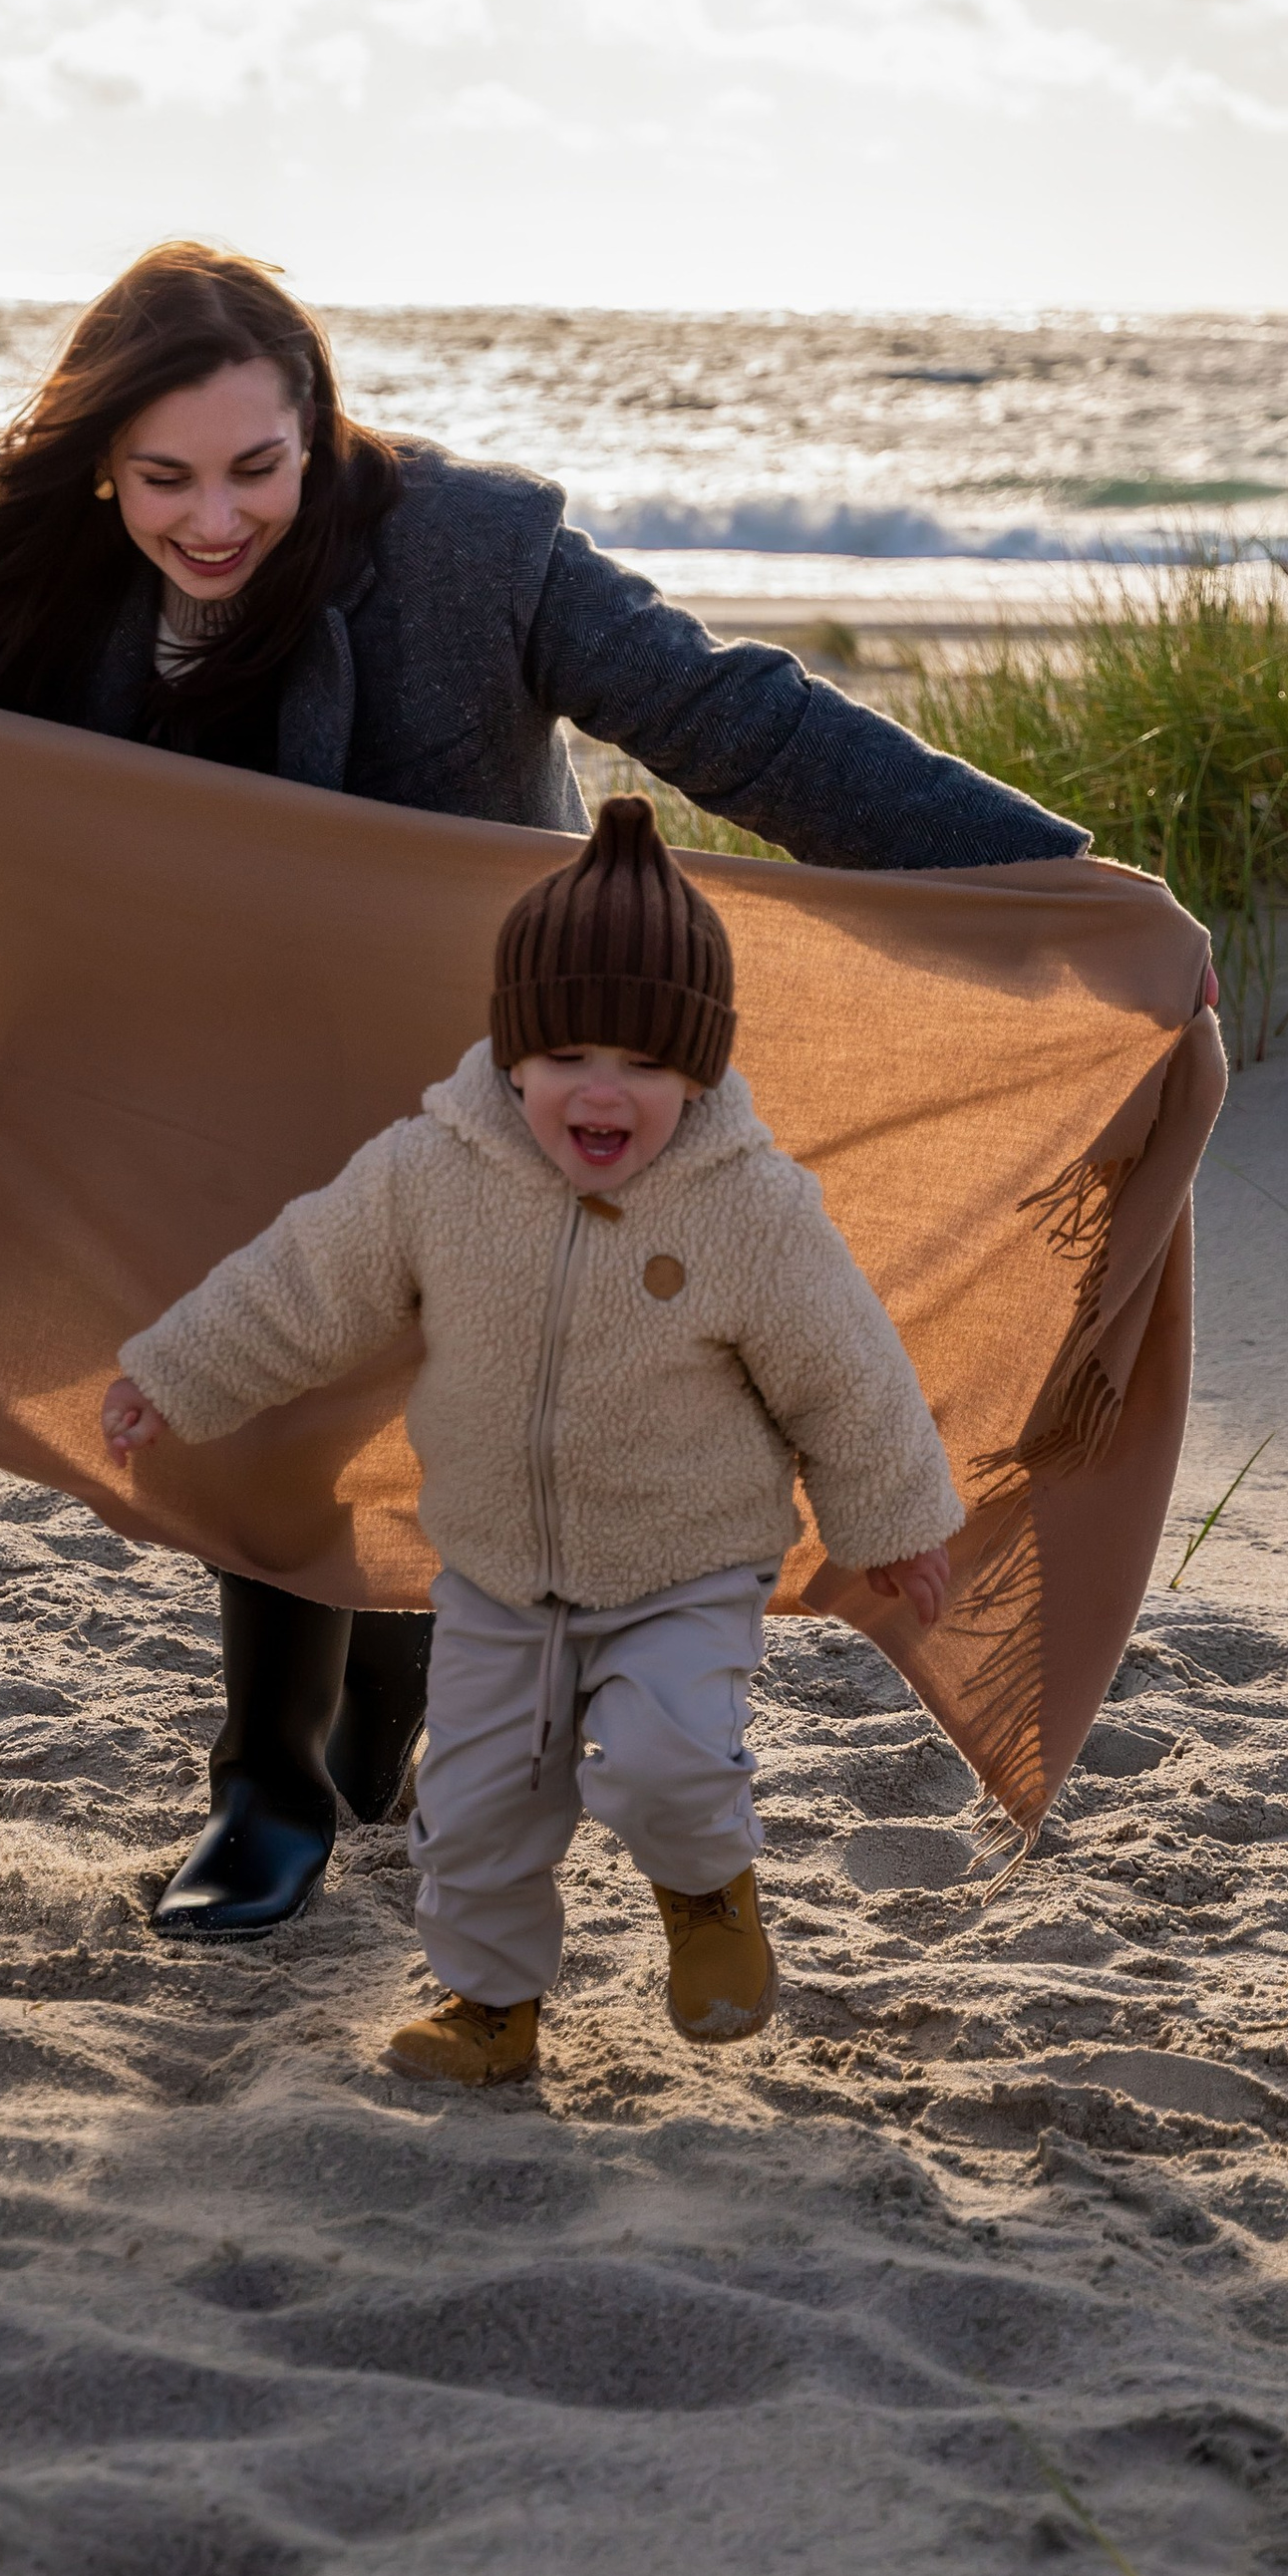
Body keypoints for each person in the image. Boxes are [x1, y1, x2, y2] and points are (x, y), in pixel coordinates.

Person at [0, 241, 1083, 1945]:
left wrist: (1042, 878)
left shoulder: (478, 552)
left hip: (469, 1022)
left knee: (441, 1388)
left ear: (319, 427)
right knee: (277, 1375)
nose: (210, 519)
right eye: (163, 477)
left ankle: (361, 1742)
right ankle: (267, 1787)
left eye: (256, 469)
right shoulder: (68, 580)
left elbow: (733, 717)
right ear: (102, 461)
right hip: (210, 1036)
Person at [102, 798, 962, 2082]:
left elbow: (847, 1375)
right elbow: (306, 1279)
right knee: (481, 1807)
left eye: (643, 1063)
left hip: (683, 1565)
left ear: (700, 1071)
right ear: (512, 1058)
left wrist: (893, 1525)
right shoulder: (430, 1173)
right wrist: (178, 1371)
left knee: (669, 1752)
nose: (599, 1089)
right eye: (564, 1055)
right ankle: (492, 2012)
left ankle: (709, 1897)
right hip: (499, 1572)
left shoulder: (751, 1211)